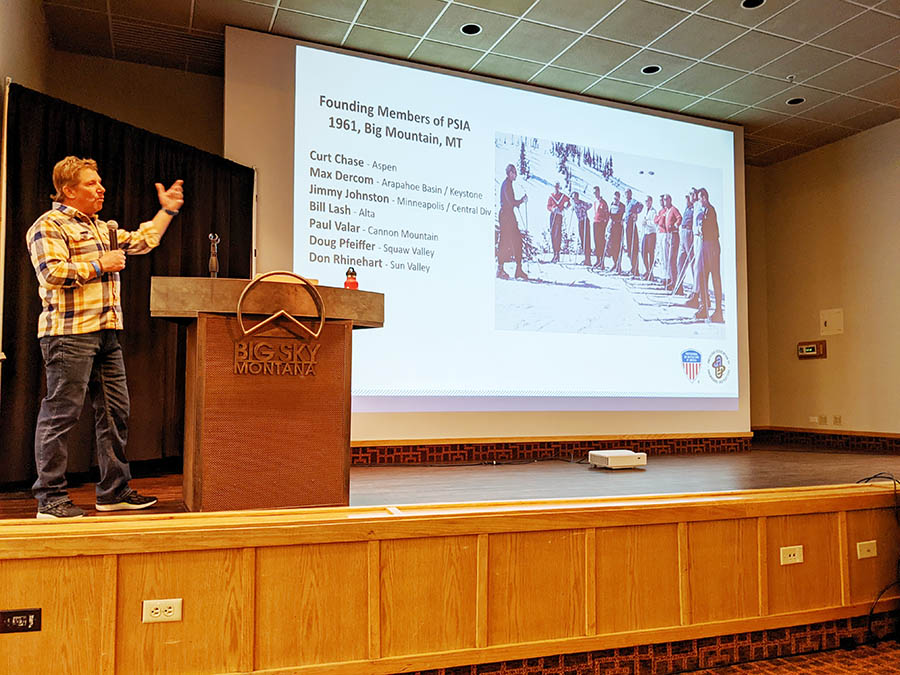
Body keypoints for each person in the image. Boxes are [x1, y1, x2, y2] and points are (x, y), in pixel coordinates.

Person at [26, 156, 185, 519]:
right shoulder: (48, 225)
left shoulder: (103, 227)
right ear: (68, 190)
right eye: (91, 184)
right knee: (60, 414)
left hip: (106, 332)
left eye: (100, 182)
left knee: (116, 413)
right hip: (69, 334)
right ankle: (50, 498)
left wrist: (167, 212)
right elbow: (51, 273)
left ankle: (113, 491)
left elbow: (144, 241)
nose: (101, 189)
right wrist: (101, 264)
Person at [693, 187, 723, 323]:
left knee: (714, 277)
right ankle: (704, 308)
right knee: (702, 276)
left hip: (712, 246)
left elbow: (710, 227)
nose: (699, 201)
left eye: (700, 198)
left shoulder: (710, 210)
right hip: (705, 245)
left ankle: (718, 312)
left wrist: (701, 226)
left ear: (704, 197)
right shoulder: (704, 210)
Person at [497, 163, 528, 280]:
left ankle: (517, 269)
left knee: (516, 241)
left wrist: (518, 203)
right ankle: (502, 269)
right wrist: (521, 201)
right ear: (510, 173)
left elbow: (510, 202)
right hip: (506, 215)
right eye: (514, 172)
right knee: (506, 241)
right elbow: (510, 202)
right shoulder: (507, 185)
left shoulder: (508, 184)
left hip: (508, 214)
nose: (515, 175)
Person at [674, 191, 695, 295]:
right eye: (686, 198)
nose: (687, 199)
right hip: (682, 233)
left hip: (689, 233)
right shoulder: (687, 208)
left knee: (692, 262)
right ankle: (679, 287)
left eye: (689, 197)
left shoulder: (695, 207)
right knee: (680, 261)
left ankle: (697, 291)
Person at [546, 182, 569, 263]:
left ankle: (557, 254)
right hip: (553, 215)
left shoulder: (562, 196)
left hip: (559, 215)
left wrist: (566, 206)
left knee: (557, 234)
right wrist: (552, 208)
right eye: (555, 187)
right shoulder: (551, 196)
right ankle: (554, 253)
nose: (556, 188)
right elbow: (548, 206)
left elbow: (569, 201)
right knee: (552, 233)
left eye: (557, 187)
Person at [623, 189, 643, 276]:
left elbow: (641, 206)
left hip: (632, 225)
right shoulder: (626, 203)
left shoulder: (633, 201)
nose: (627, 195)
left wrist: (636, 213)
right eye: (626, 193)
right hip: (627, 225)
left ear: (630, 194)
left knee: (633, 247)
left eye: (628, 193)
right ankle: (632, 267)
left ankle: (636, 269)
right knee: (629, 247)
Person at [571, 191, 592, 265]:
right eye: (573, 198)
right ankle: (586, 258)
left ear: (577, 197)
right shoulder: (574, 204)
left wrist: (585, 208)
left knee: (587, 240)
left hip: (585, 221)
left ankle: (588, 259)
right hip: (580, 222)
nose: (574, 199)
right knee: (582, 239)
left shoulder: (581, 203)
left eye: (575, 198)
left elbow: (590, 205)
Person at [639, 195, 657, 280]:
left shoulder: (653, 211)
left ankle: (651, 272)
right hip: (645, 233)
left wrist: (647, 222)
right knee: (643, 252)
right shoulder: (645, 211)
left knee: (651, 253)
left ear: (651, 201)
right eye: (645, 201)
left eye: (648, 201)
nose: (646, 203)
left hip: (651, 233)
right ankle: (647, 270)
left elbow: (654, 223)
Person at [606, 191, 625, 271]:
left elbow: (624, 215)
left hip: (619, 227)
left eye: (617, 198)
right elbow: (610, 216)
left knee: (618, 246)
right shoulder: (611, 204)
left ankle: (619, 265)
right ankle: (614, 263)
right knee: (612, 246)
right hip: (612, 227)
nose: (615, 200)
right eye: (614, 198)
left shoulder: (622, 206)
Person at [591, 186, 609, 269]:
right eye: (594, 193)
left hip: (601, 224)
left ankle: (602, 261)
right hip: (595, 223)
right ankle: (598, 260)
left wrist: (605, 224)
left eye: (596, 192)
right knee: (596, 242)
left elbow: (607, 215)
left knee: (601, 242)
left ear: (599, 192)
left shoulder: (603, 203)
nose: (595, 194)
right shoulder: (595, 202)